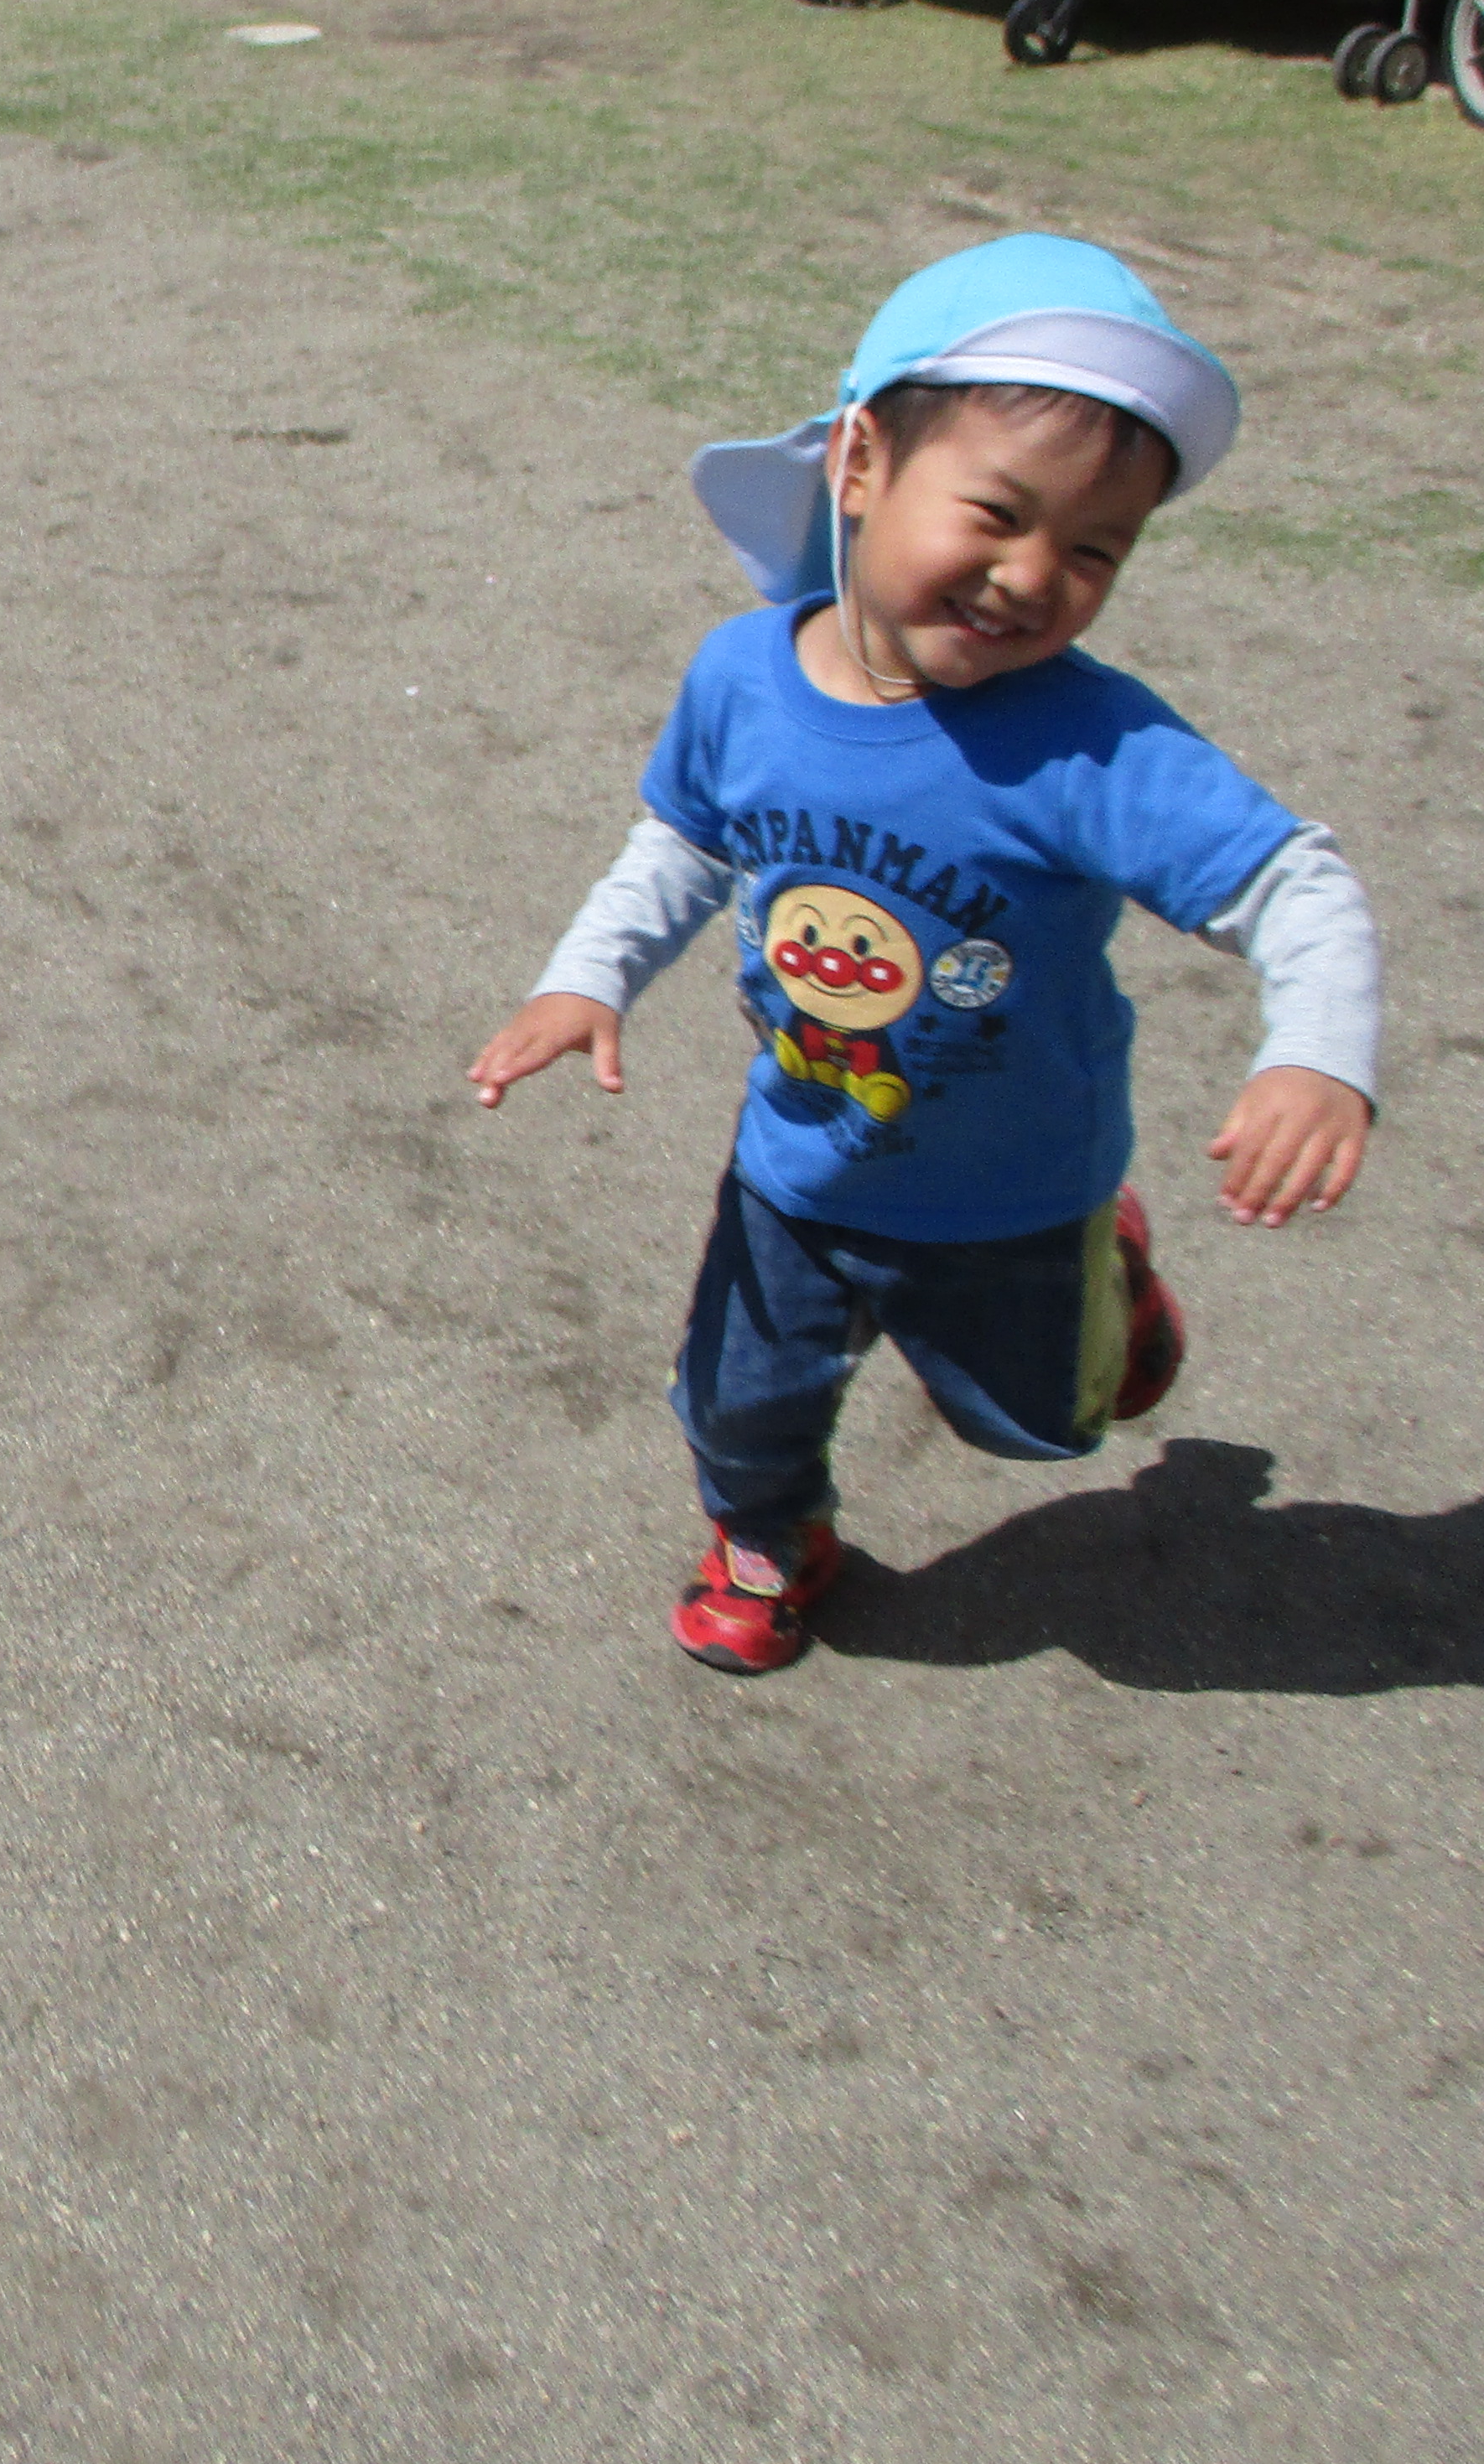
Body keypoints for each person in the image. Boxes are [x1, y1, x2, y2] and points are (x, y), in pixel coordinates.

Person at [466, 236, 1378, 1675]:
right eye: (999, 515)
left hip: (1016, 1186)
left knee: (1044, 1424)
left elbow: (1294, 882)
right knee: (736, 1394)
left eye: (1094, 551)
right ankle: (769, 1536)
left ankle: (1113, 1279)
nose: (1032, 578)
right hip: (804, 1162)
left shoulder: (1091, 743)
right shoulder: (742, 677)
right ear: (861, 462)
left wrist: (1318, 1055)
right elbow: (687, 840)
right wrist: (590, 975)